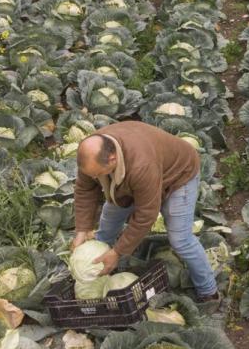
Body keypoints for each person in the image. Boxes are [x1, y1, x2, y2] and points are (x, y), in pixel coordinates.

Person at [71, 121, 220, 303]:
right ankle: (101, 277)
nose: (94, 178)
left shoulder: (142, 165)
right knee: (106, 227)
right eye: (93, 175)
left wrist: (118, 252)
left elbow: (146, 215)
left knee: (181, 239)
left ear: (112, 159)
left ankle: (208, 292)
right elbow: (85, 190)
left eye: (97, 174)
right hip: (130, 179)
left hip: (179, 175)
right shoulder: (91, 155)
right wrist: (82, 229)